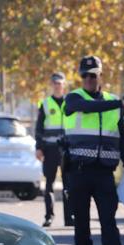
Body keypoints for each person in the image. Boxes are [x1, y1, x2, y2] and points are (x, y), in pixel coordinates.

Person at [62, 55, 124, 245]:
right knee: (82, 224)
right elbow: (85, 107)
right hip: (77, 172)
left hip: (104, 173)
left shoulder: (112, 101)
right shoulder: (74, 98)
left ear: (100, 76)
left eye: (93, 75)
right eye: (85, 75)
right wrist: (121, 104)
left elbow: (122, 137)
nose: (89, 79)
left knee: (109, 223)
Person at [35, 72, 73, 227]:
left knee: (68, 184)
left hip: (66, 149)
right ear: (52, 85)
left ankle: (69, 218)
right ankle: (49, 216)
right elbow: (39, 128)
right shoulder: (45, 104)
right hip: (50, 149)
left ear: (64, 85)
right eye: (55, 83)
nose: (58, 86)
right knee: (49, 184)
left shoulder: (71, 103)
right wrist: (39, 148)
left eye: (60, 83)